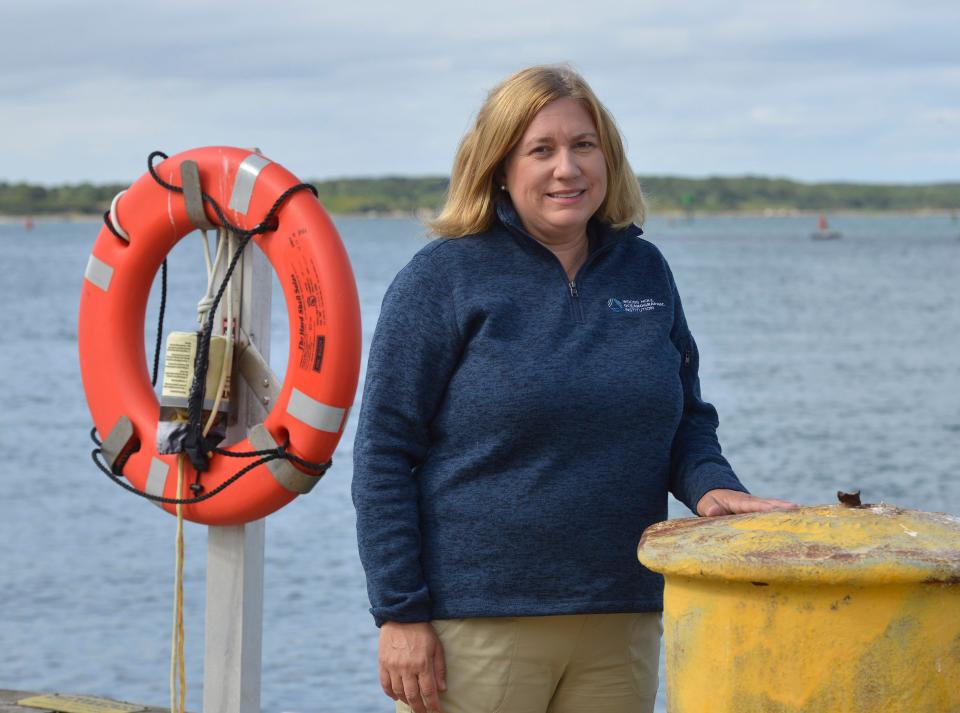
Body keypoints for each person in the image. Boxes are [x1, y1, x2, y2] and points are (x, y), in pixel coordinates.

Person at [352, 64, 794, 713]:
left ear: (607, 158)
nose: (568, 167)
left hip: (622, 616)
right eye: (542, 149)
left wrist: (711, 484)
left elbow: (686, 419)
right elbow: (384, 452)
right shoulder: (442, 278)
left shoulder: (645, 269)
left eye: (584, 145)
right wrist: (399, 613)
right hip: (475, 628)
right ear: (499, 165)